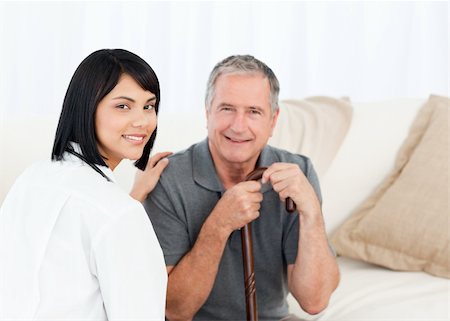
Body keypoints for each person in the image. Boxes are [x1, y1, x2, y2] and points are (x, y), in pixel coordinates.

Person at [143, 55, 340, 320]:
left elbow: (314, 301)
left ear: (273, 121)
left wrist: (311, 213)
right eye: (226, 109)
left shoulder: (298, 172)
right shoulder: (168, 179)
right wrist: (219, 225)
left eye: (254, 112)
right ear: (207, 112)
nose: (238, 126)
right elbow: (175, 310)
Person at [0, 49, 170, 320]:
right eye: (123, 106)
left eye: (149, 106)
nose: (142, 121)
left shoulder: (32, 179)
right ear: (87, 108)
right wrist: (127, 205)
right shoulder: (118, 213)